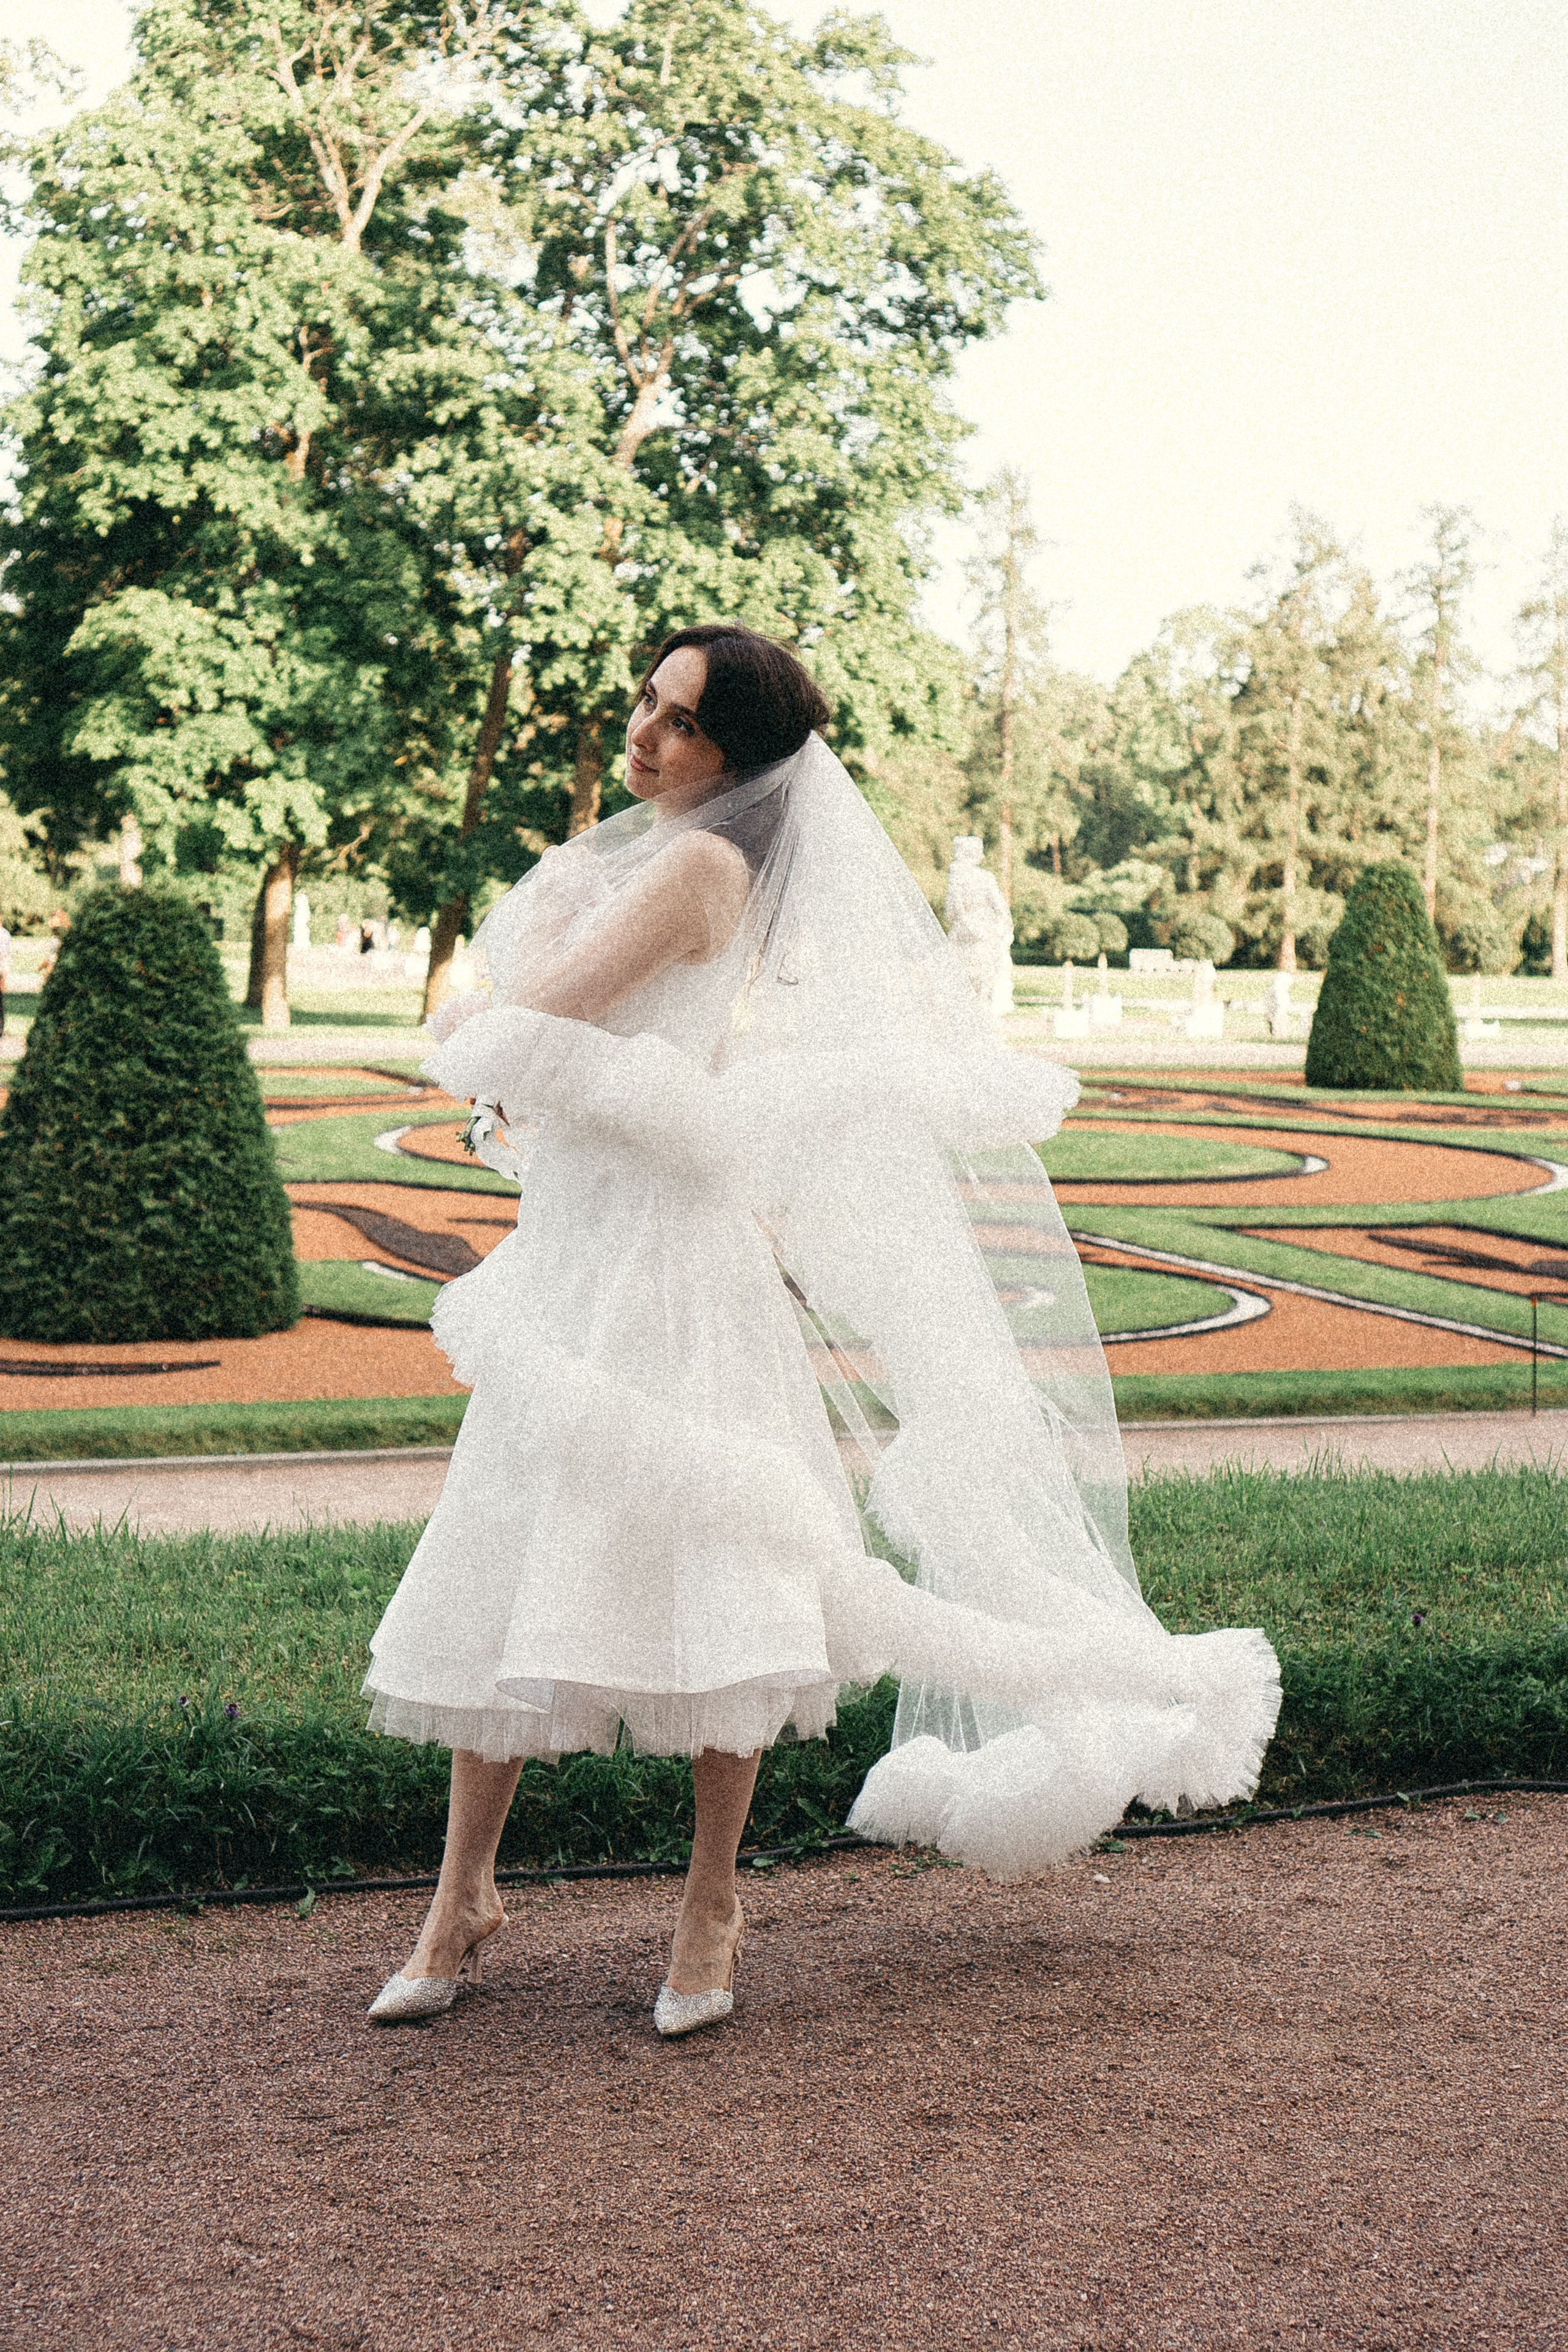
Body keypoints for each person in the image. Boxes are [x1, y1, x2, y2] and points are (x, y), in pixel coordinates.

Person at [362, 626, 1281, 2035]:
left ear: (737, 752)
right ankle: (459, 1898)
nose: (644, 732)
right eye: (645, 702)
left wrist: (502, 971)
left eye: (680, 720)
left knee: (725, 1580)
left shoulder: (696, 870)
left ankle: (707, 1907)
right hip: (575, 1251)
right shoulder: (657, 858)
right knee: (508, 1551)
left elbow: (535, 1020)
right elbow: (598, 1062)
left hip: (672, 1269)